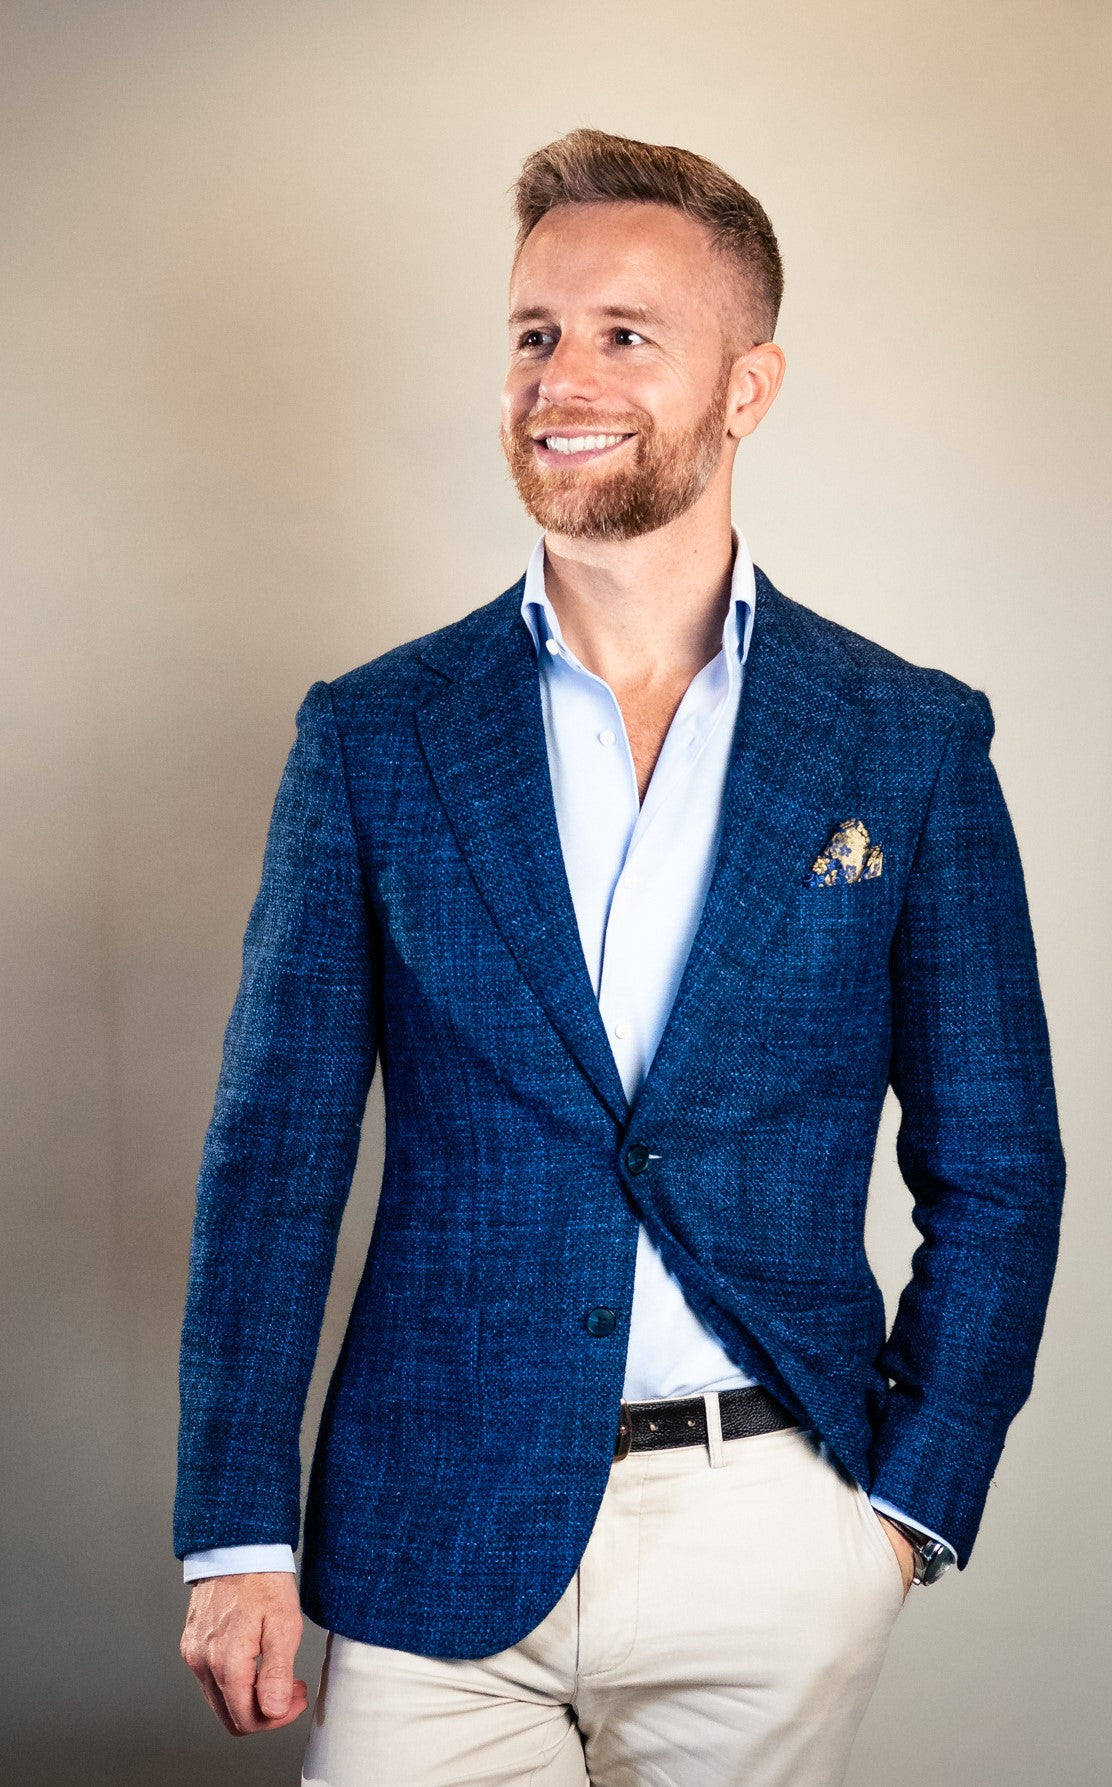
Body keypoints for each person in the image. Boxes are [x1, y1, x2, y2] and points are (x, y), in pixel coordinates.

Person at [175, 128, 1066, 1786]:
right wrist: (237, 1533)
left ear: (749, 387)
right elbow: (275, 1157)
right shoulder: (374, 736)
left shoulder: (907, 741)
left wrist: (903, 1512)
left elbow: (1001, 1164)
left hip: (778, 1534)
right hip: (429, 1528)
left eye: (625, 335)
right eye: (534, 333)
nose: (561, 380)